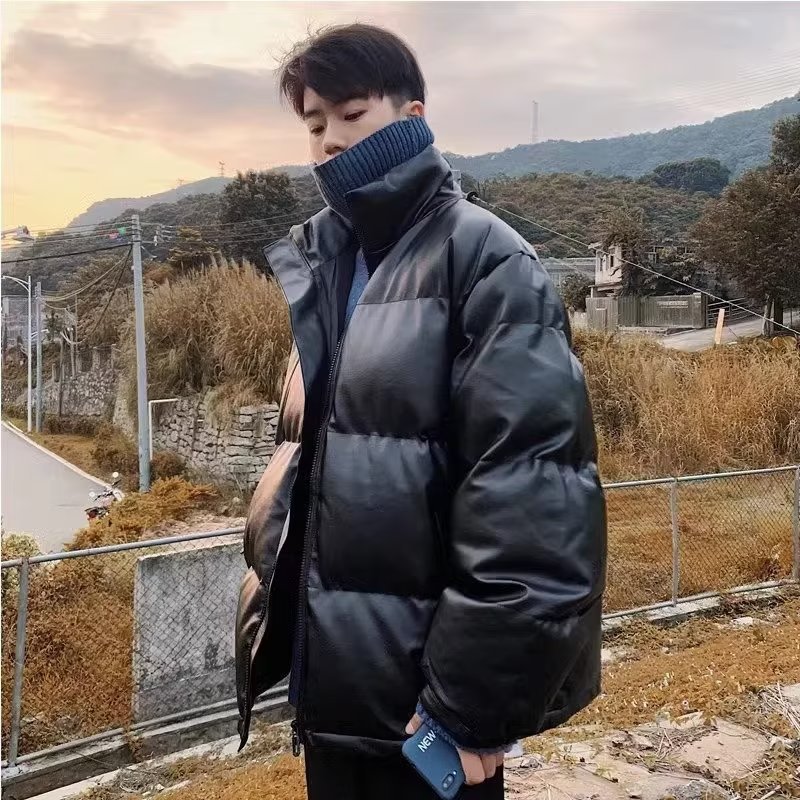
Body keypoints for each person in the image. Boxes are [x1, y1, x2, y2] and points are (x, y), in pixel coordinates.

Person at [235, 23, 607, 800]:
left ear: (413, 115)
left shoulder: (487, 260)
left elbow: (533, 504)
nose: (331, 141)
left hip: (428, 722)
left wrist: (472, 708)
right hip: (338, 704)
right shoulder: (327, 266)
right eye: (313, 124)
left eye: (352, 114)